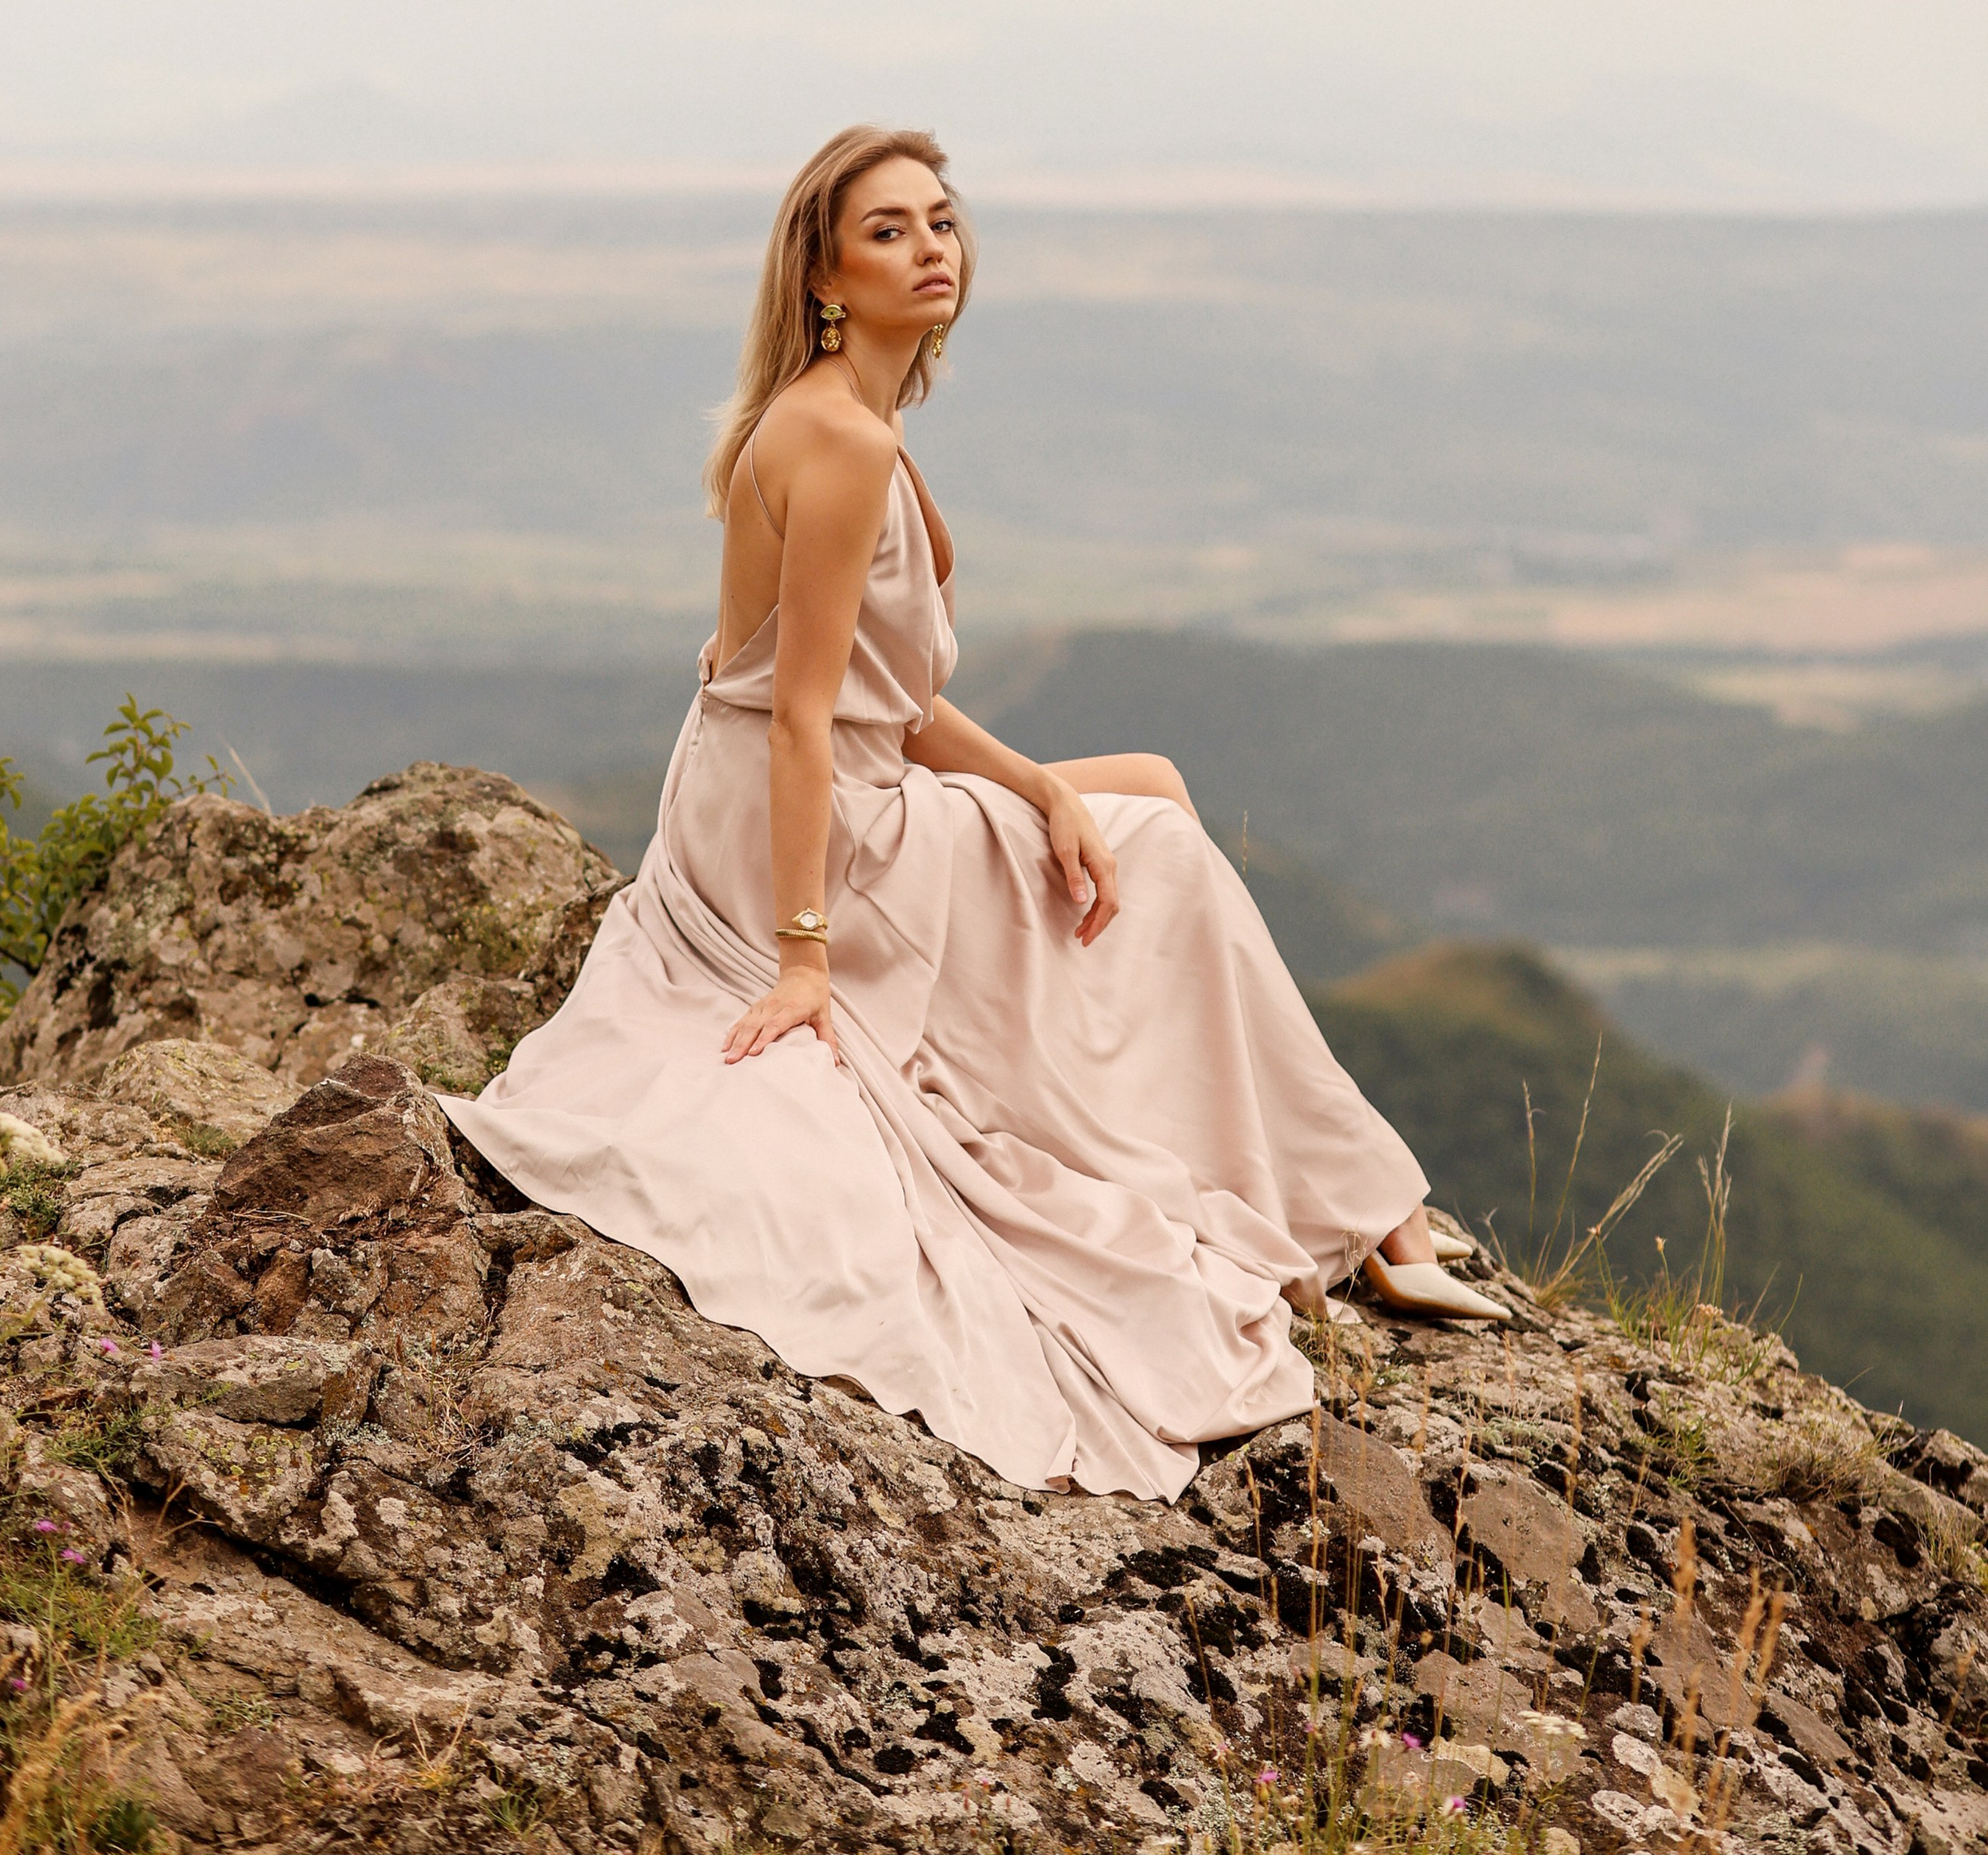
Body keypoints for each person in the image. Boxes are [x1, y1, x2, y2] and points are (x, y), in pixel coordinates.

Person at [439, 125, 1502, 1502]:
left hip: (802, 779)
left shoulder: (857, 420)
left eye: (941, 220)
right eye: (889, 229)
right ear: (823, 271)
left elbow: (888, 698)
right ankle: (1370, 1214)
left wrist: (1039, 782)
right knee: (1164, 848)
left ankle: (1353, 1201)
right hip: (803, 824)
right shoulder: (838, 444)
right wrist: (807, 956)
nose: (932, 246)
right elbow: (810, 718)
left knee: (1148, 793)